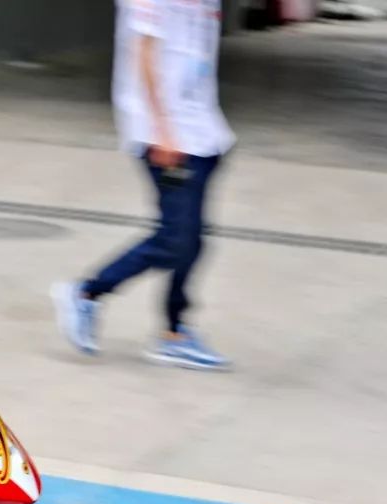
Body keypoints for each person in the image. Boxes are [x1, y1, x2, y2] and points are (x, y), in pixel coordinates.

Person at [52, 0, 235, 370]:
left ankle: (174, 333)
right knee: (176, 238)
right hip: (166, 134)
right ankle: (87, 293)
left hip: (203, 130)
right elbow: (145, 53)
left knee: (190, 240)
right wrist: (162, 129)